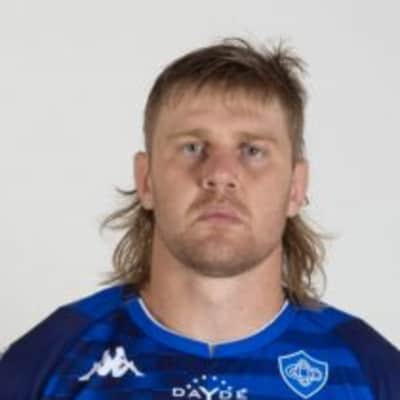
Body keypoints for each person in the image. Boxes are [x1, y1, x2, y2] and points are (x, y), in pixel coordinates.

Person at [0, 37, 399, 400]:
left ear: (295, 187)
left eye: (252, 150)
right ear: (146, 180)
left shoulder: (374, 374)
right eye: (193, 147)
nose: (220, 174)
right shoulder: (44, 363)